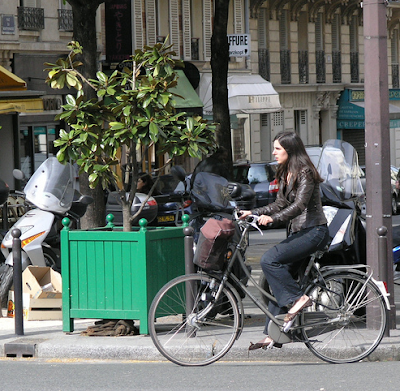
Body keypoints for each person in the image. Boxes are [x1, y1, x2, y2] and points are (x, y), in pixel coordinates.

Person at [240, 131, 329, 351]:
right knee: (279, 279)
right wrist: (253, 212)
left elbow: (299, 206)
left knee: (269, 260)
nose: (273, 152)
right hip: (300, 233)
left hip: (313, 231)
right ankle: (274, 334)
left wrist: (273, 219)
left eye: (278, 148)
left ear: (290, 150)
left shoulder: (305, 172)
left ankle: (299, 300)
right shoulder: (285, 172)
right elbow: (278, 204)